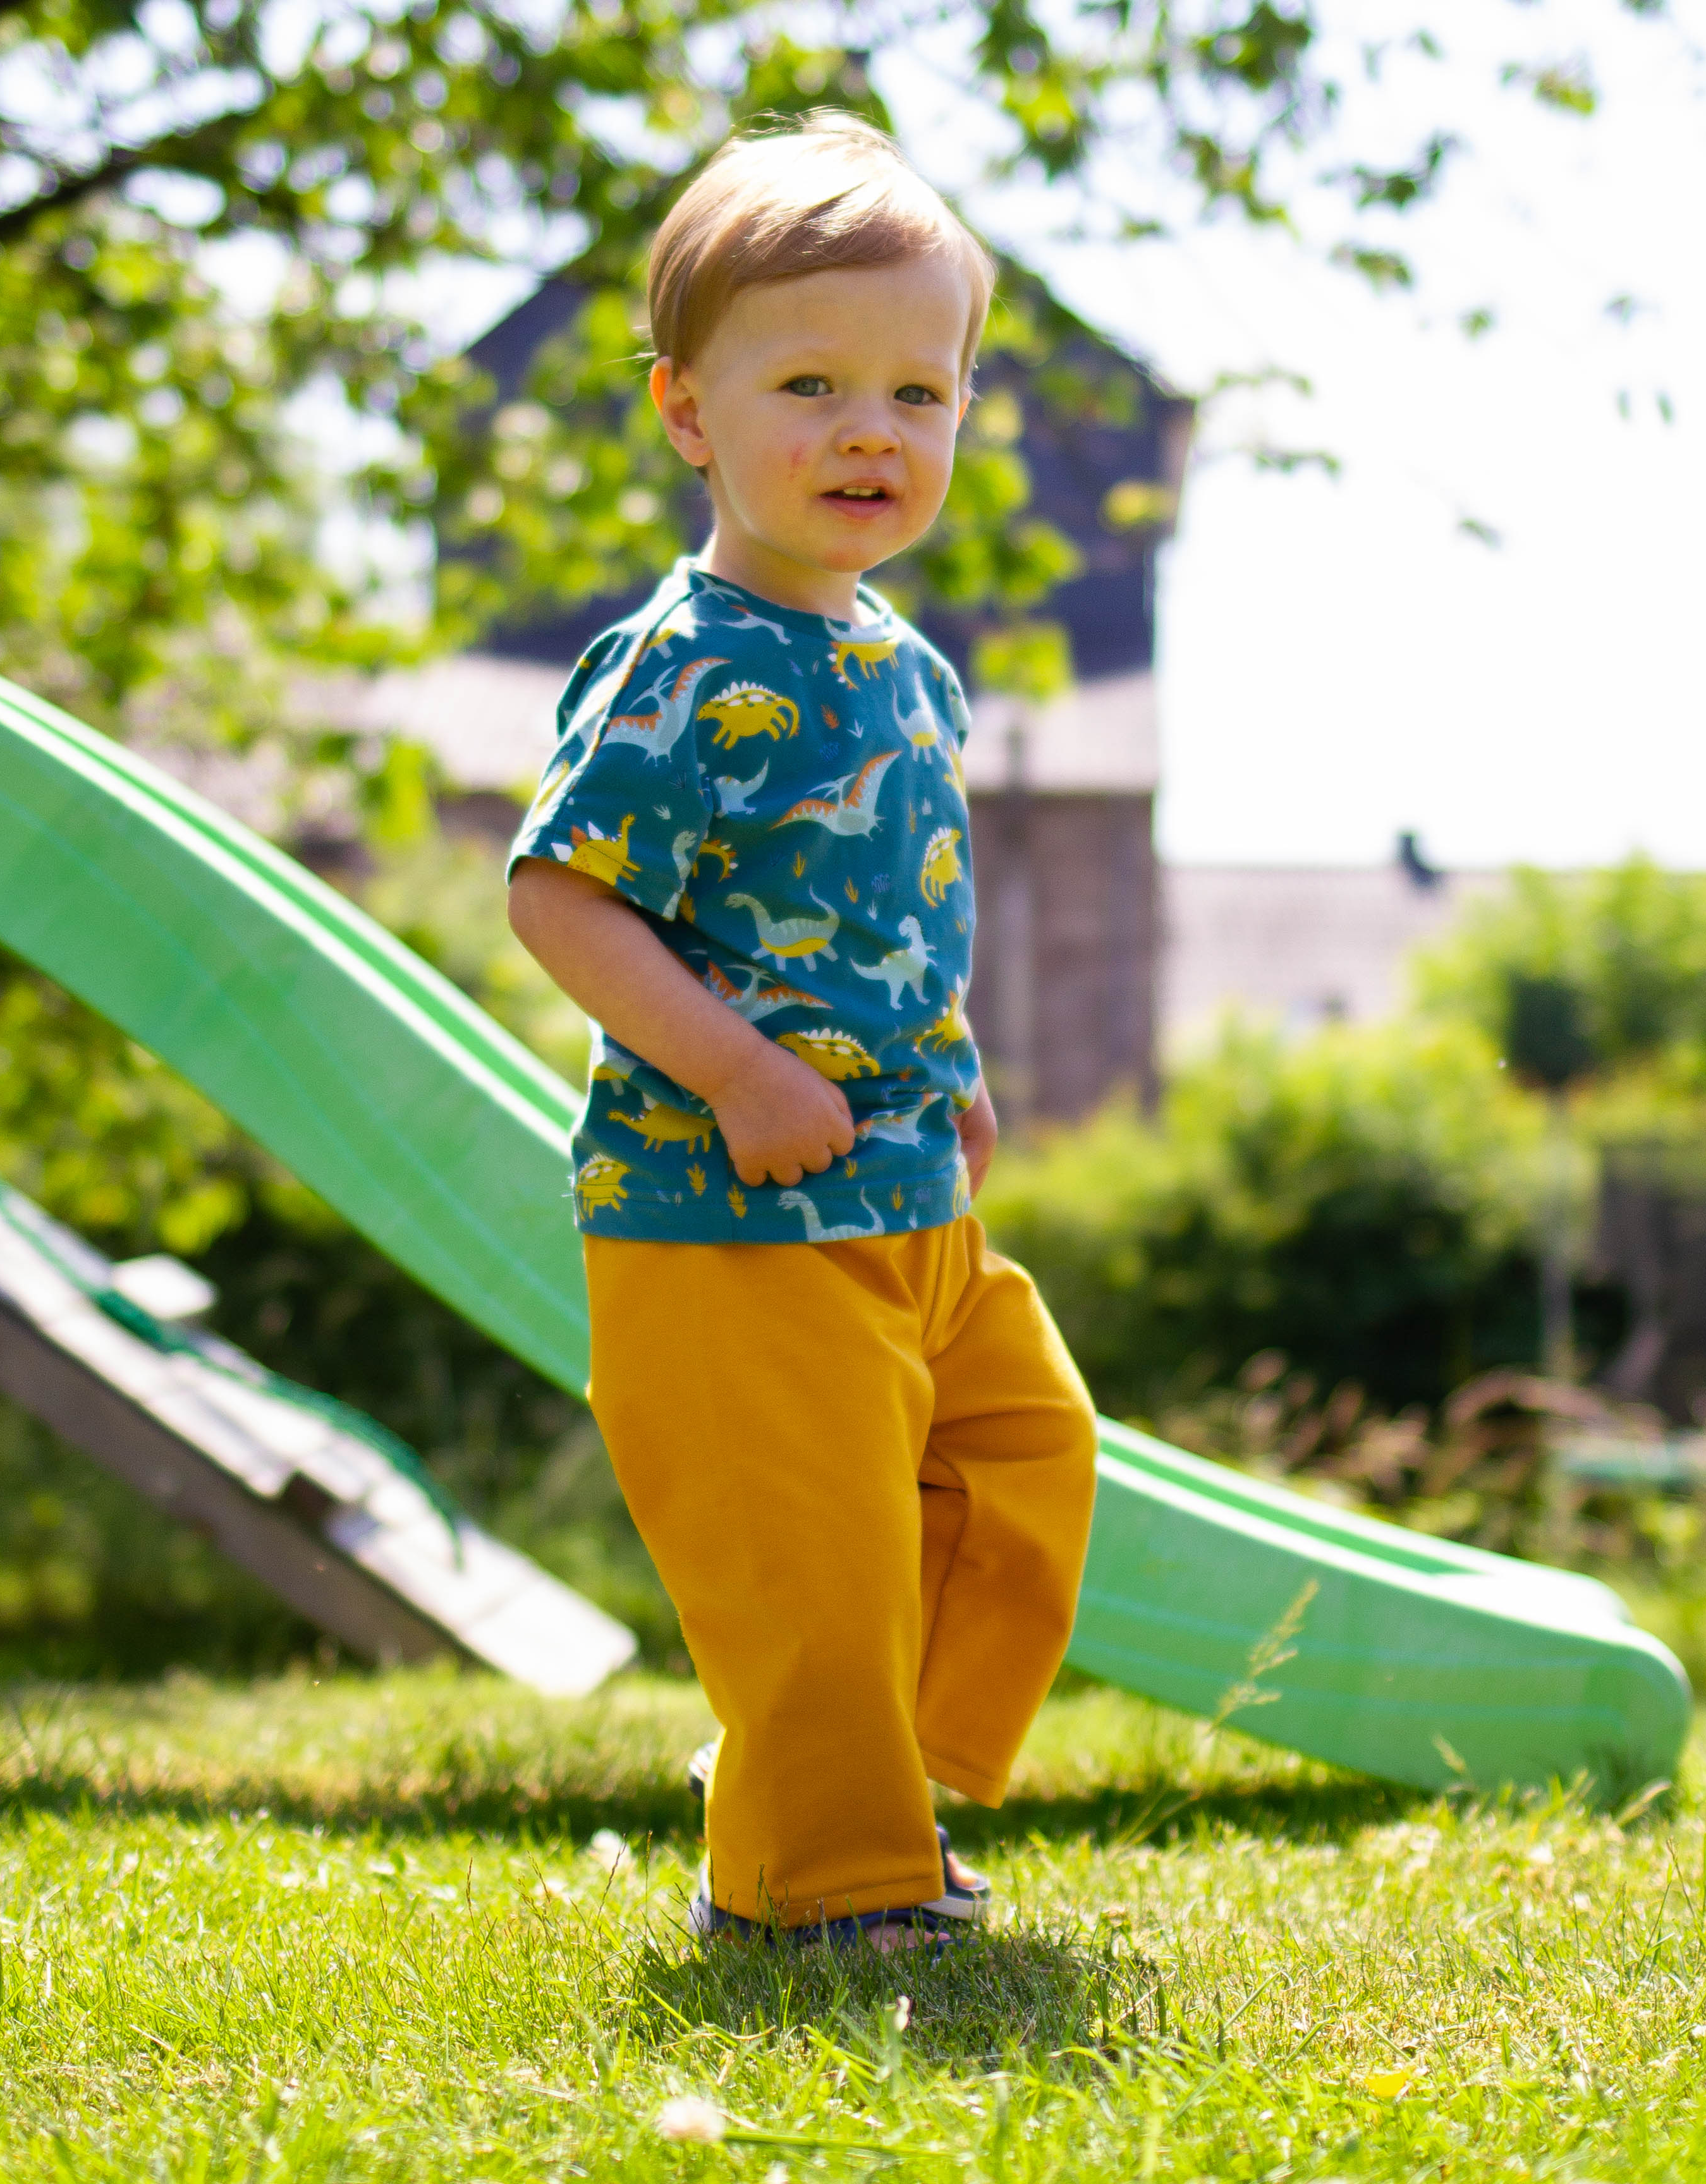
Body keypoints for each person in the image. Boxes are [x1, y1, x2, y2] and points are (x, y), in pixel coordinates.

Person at [506, 111, 1098, 1950]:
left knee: (1026, 1455)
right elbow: (561, 898)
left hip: (908, 1194)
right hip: (726, 1214)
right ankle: (821, 1877)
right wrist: (740, 1073)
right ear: (688, 413)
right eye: (813, 386)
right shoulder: (681, 663)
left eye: (920, 394)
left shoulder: (905, 666)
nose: (870, 432)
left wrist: (960, 1068)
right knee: (817, 1566)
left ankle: (854, 1771)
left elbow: (891, 909)